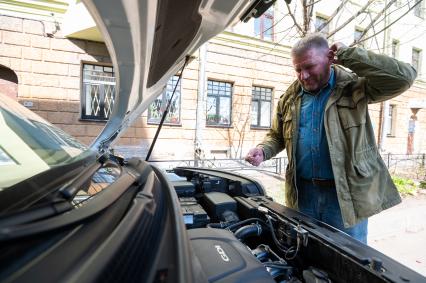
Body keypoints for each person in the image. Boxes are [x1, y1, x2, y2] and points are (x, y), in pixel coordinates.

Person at [245, 33, 417, 244]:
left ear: (329, 58)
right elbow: (277, 135)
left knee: (347, 260)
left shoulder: (354, 87)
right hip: (302, 194)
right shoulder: (289, 98)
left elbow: (404, 77)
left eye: (309, 67)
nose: (303, 76)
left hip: (344, 197)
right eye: (298, 69)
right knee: (303, 254)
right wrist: (263, 150)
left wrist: (349, 55)